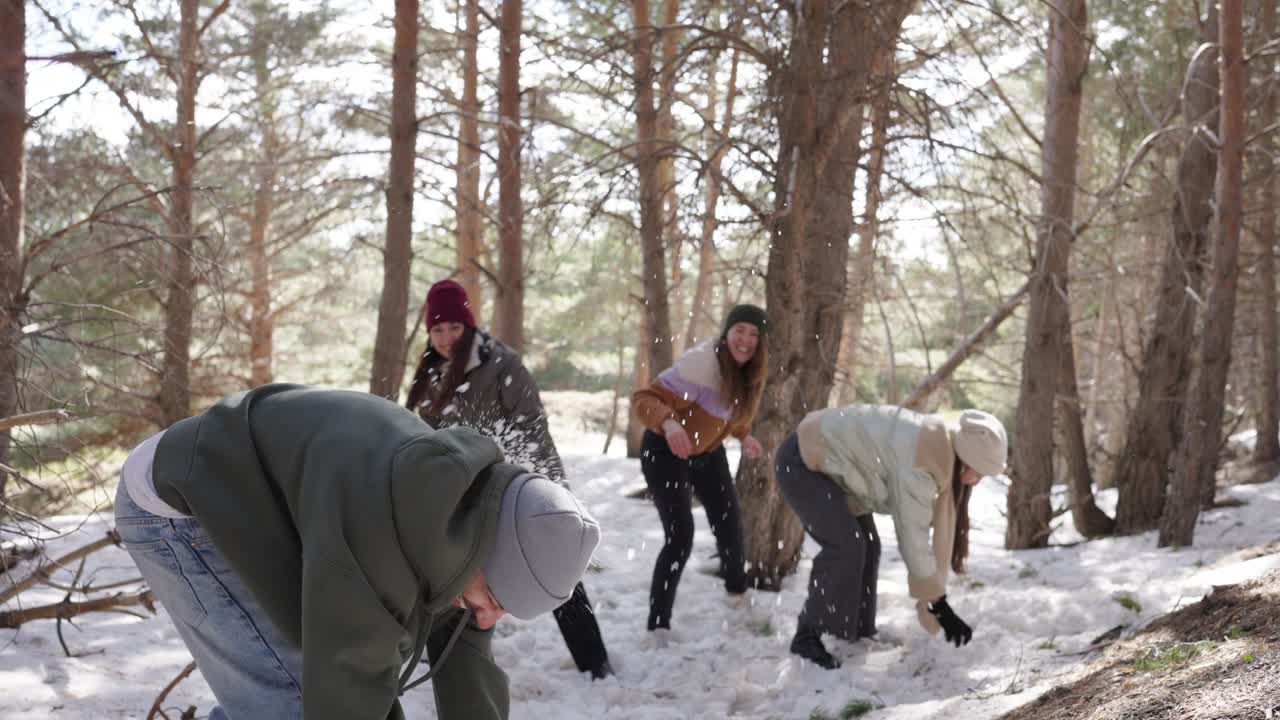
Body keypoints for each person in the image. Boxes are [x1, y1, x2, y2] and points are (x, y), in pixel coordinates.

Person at [114, 384, 601, 720]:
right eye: (496, 598)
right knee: (297, 701)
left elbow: (464, 655)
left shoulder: (461, 519)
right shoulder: (383, 525)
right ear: (487, 554)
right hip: (178, 504)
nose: (490, 618)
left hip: (243, 493)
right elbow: (349, 684)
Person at [404, 279, 614, 679]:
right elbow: (426, 434)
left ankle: (593, 659)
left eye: (454, 327)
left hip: (523, 483)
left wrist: (524, 482)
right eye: (438, 329)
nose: (447, 337)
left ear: (468, 325)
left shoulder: (501, 363)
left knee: (551, 564)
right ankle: (450, 650)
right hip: (465, 487)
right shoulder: (431, 372)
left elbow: (531, 426)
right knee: (460, 565)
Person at [773, 404, 1008, 669]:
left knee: (868, 545)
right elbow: (913, 536)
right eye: (979, 472)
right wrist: (939, 605)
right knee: (846, 546)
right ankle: (806, 636)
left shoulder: (934, 445)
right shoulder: (923, 463)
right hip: (803, 461)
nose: (977, 481)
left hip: (833, 469)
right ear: (966, 458)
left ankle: (856, 629)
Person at [631, 304, 768, 636]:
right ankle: (658, 625)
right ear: (727, 333)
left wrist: (744, 435)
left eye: (753, 334)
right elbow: (644, 398)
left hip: (707, 453)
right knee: (681, 537)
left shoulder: (751, 372)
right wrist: (669, 424)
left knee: (730, 526)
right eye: (739, 331)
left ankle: (736, 598)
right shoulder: (702, 365)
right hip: (665, 451)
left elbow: (727, 415)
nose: (745, 341)